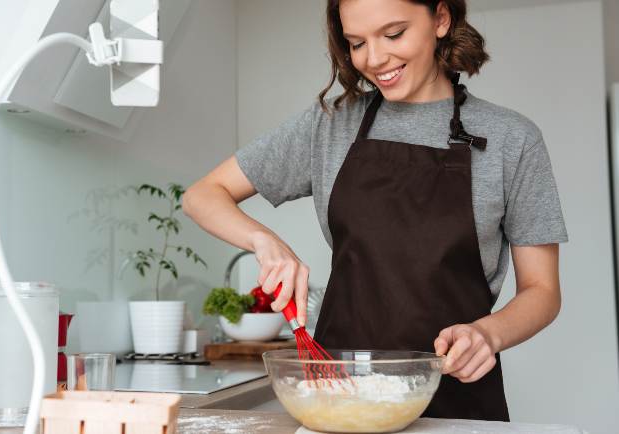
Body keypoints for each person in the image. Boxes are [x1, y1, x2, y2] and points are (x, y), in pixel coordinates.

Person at [183, 0, 567, 420]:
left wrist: (487, 335)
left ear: (441, 19)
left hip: (458, 397)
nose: (375, 58)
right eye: (356, 43)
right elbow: (203, 194)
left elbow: (542, 292)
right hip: (340, 398)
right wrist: (265, 241)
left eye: (393, 34)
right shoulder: (331, 125)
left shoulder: (513, 139)